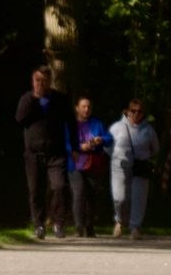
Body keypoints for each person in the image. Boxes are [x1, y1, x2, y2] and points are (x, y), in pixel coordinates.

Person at [15, 67, 67, 239]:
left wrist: (74, 148)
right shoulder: (26, 99)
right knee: (35, 189)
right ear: (33, 81)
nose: (40, 84)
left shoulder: (59, 100)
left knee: (59, 186)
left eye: (44, 81)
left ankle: (58, 223)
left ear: (49, 81)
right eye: (37, 81)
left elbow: (71, 124)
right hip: (33, 153)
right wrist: (33, 99)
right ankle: (39, 224)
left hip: (55, 152)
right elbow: (19, 119)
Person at [107, 97, 159, 239]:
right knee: (120, 197)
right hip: (120, 166)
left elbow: (155, 149)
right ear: (127, 111)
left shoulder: (148, 130)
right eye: (133, 111)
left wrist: (144, 156)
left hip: (140, 166)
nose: (136, 114)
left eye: (140, 111)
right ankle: (119, 221)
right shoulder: (116, 127)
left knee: (138, 198)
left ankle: (135, 227)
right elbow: (107, 147)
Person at [65, 93, 109, 237]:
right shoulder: (70, 124)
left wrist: (100, 139)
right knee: (78, 192)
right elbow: (64, 143)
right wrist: (77, 148)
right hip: (75, 164)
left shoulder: (97, 123)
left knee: (91, 195)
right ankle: (79, 227)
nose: (86, 109)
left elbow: (109, 139)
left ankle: (89, 226)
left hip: (92, 164)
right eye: (83, 106)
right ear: (77, 108)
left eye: (89, 107)